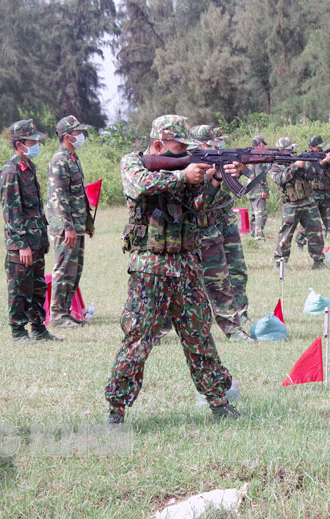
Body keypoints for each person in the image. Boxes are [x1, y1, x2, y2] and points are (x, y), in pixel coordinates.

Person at [105, 115, 243, 423]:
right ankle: (117, 410)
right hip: (150, 268)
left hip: (186, 266)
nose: (184, 154)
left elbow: (199, 208)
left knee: (199, 337)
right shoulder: (133, 163)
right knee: (138, 338)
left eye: (187, 149)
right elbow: (139, 186)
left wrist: (217, 181)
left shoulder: (186, 172)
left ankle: (219, 403)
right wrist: (183, 175)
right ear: (158, 145)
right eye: (179, 148)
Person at [0, 119, 62, 345]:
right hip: (22, 243)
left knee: (37, 287)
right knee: (19, 288)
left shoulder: (28, 167)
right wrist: (21, 244)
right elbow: (12, 212)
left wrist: (42, 240)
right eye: (31, 140)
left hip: (36, 239)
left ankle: (38, 328)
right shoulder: (10, 171)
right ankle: (18, 332)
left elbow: (35, 208)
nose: (36, 144)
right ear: (19, 144)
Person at [189, 125, 254, 342]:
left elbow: (222, 195)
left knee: (222, 279)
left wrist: (232, 171)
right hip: (189, 231)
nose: (218, 145)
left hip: (212, 226)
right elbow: (194, 199)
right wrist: (209, 175)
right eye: (212, 142)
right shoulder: (187, 166)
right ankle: (156, 331)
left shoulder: (215, 164)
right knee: (175, 287)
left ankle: (235, 325)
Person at [47, 115, 95, 328]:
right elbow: (58, 197)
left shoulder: (73, 158)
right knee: (64, 269)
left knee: (74, 270)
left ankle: (66, 312)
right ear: (67, 136)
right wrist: (67, 227)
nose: (81, 136)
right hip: (66, 227)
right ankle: (57, 315)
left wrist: (87, 224)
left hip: (76, 225)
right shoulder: (59, 160)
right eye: (77, 132)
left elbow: (79, 195)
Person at [271, 137, 326, 269]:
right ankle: (280, 263)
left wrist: (309, 164)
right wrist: (295, 166)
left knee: (316, 232)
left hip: (308, 201)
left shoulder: (297, 160)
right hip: (291, 204)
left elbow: (312, 176)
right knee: (285, 235)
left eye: (291, 149)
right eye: (287, 149)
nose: (291, 151)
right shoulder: (275, 166)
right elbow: (280, 179)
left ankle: (318, 261)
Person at [295, 135, 330, 249]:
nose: (321, 150)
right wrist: (323, 161)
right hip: (313, 194)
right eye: (318, 148)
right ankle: (300, 242)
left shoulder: (324, 156)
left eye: (322, 147)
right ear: (311, 147)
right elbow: (309, 171)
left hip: (327, 193)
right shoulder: (305, 158)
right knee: (309, 221)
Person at [246, 135, 271, 241]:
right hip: (258, 191)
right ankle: (259, 236)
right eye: (263, 144)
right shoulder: (259, 158)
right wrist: (265, 190)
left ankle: (252, 235)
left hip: (250, 190)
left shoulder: (250, 156)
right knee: (261, 214)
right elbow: (260, 176)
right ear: (260, 144)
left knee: (253, 214)